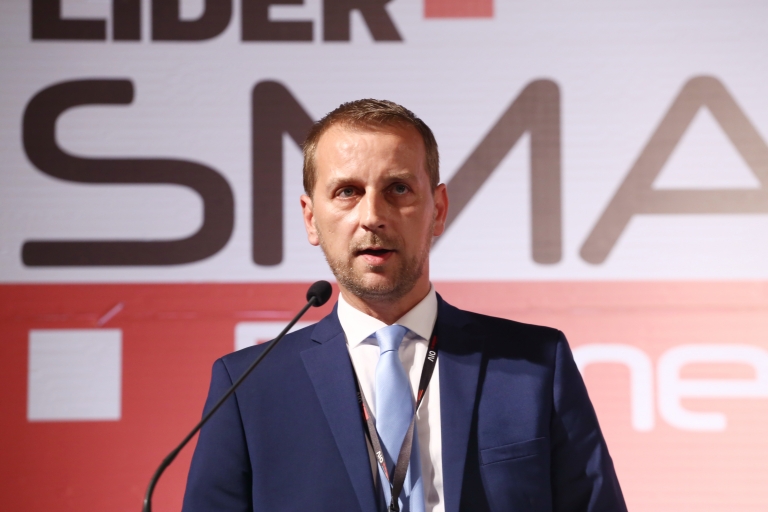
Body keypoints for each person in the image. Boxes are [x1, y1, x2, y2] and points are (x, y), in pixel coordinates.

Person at [182, 100, 627, 512]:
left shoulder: (536, 365)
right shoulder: (248, 386)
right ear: (311, 218)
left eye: (398, 188)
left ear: (438, 210)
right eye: (347, 192)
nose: (372, 216)